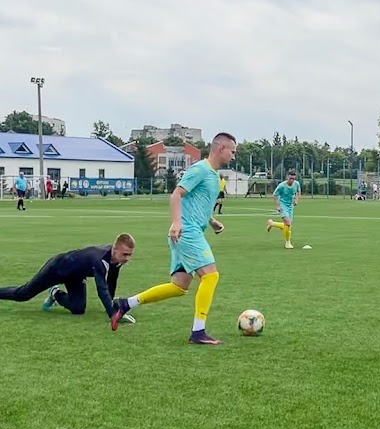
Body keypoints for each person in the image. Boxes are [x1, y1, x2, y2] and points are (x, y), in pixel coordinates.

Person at [110, 133, 238, 345]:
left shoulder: (214, 176)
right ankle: (198, 332)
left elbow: (197, 203)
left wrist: (212, 221)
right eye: (232, 151)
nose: (234, 156)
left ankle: (126, 303)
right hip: (187, 232)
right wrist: (178, 223)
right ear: (220, 148)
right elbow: (176, 194)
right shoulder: (200, 169)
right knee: (211, 276)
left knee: (179, 286)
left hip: (188, 231)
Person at [0, 234, 136, 321]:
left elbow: (111, 280)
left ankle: (55, 293)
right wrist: (113, 314)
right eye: (125, 254)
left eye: (129, 254)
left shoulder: (116, 260)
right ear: (115, 249)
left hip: (75, 276)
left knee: (78, 309)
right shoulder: (99, 260)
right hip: (56, 269)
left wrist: (111, 304)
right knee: (23, 294)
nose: (128, 258)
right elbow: (102, 288)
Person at [267, 170, 301, 249]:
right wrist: (278, 206)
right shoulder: (282, 186)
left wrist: (296, 200)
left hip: (290, 206)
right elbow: (275, 195)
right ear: (287, 177)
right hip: (283, 205)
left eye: (293, 179)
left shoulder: (296, 184)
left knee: (287, 225)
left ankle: (272, 223)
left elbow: (298, 192)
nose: (292, 180)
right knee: (288, 224)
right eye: (290, 178)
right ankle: (287, 243)